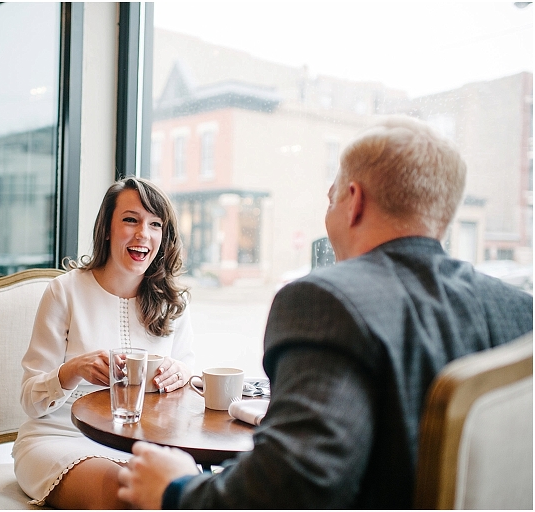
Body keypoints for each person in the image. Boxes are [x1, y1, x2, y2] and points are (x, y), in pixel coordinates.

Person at [116, 116, 534, 509]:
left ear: (354, 201)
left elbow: (293, 487)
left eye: (331, 194)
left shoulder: (325, 301)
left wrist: (177, 488)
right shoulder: (519, 312)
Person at [12, 177, 196, 509]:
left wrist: (181, 372)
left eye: (155, 224)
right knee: (130, 496)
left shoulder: (170, 302)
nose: (143, 233)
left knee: (192, 491)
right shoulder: (65, 292)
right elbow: (30, 401)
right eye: (131, 219)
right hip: (59, 439)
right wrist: (73, 369)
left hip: (140, 445)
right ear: (107, 229)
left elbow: (190, 384)